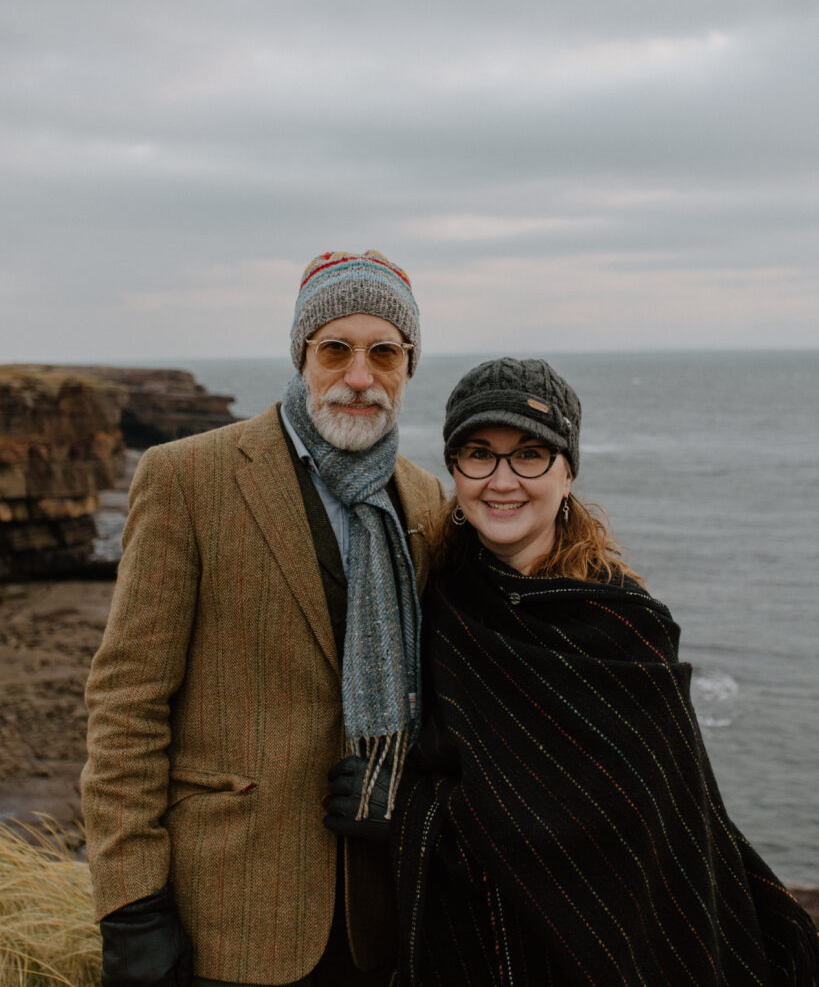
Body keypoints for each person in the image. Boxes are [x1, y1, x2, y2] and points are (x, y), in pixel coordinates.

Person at [382, 357, 819, 986]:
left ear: (567, 473)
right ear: (455, 470)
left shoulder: (623, 631)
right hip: (484, 952)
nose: (502, 480)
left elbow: (635, 832)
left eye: (529, 454)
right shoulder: (439, 600)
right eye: (479, 454)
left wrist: (402, 815)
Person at [81, 250, 446, 987]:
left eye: (384, 353)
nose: (358, 375)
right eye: (335, 349)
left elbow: (440, 699)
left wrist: (409, 796)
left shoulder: (425, 500)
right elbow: (127, 704)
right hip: (228, 913)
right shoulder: (189, 477)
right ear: (301, 355)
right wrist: (131, 908)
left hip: (380, 918)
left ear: (408, 365)